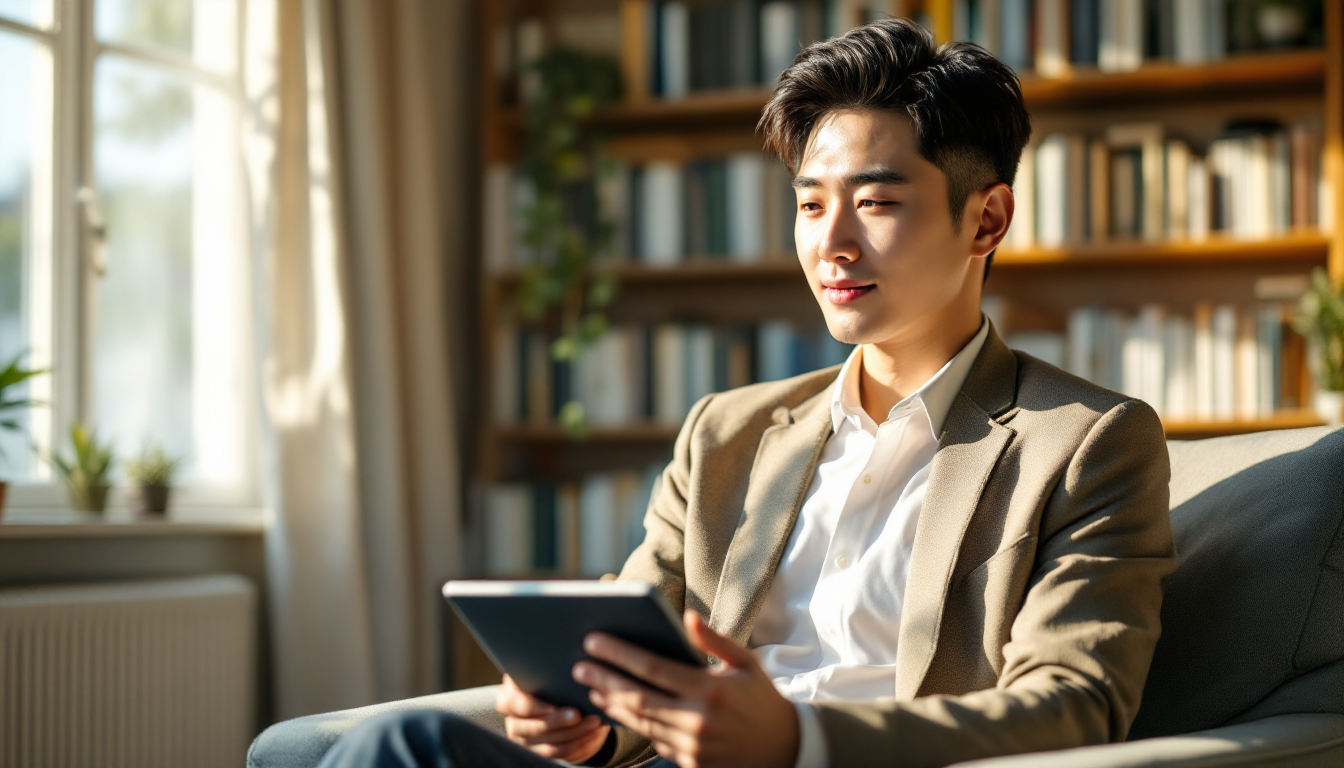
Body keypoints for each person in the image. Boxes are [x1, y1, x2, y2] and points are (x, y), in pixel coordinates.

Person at [318, 17, 1177, 768]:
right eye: (810, 206)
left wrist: (801, 745)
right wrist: (586, 720)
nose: (832, 243)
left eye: (875, 202)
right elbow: (628, 656)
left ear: (986, 220)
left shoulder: (1089, 441)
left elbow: (1076, 704)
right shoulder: (726, 432)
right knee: (392, 748)